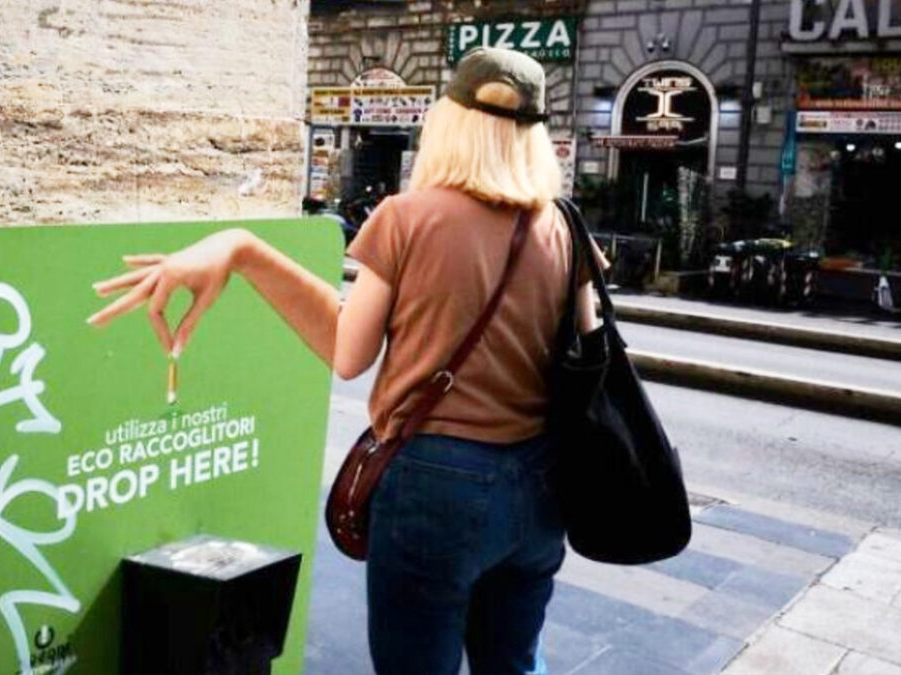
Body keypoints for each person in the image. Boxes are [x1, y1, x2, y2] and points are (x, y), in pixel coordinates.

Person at [88, 47, 602, 675]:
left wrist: (246, 250)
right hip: (542, 483)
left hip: (438, 485)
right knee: (515, 661)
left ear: (450, 124)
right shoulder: (566, 227)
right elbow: (587, 357)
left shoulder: (407, 218)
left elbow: (347, 352)